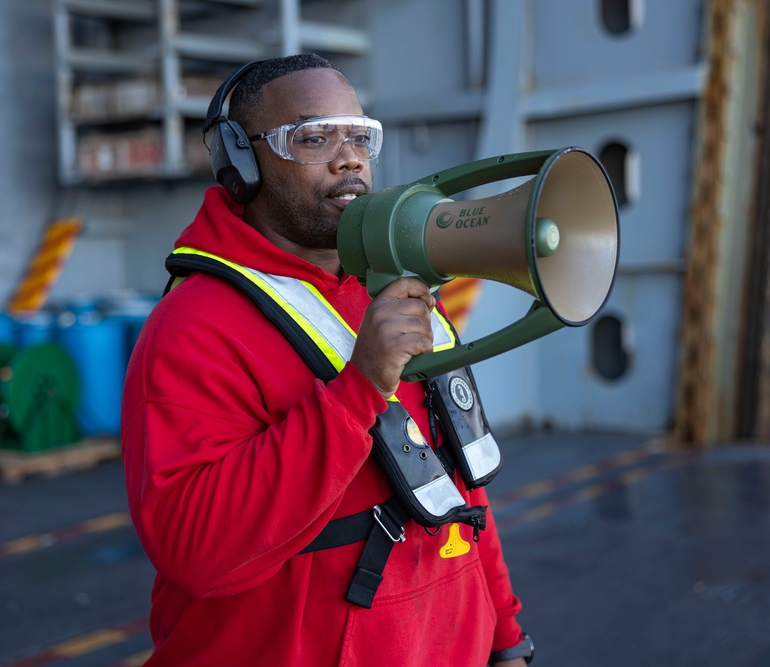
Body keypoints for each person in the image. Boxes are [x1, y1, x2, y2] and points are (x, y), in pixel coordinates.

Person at [121, 53, 533, 666]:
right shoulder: (192, 327)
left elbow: (459, 485)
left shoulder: (393, 290)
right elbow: (195, 547)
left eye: (360, 136)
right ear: (241, 163)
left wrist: (504, 638)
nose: (349, 158)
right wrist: (359, 387)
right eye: (312, 137)